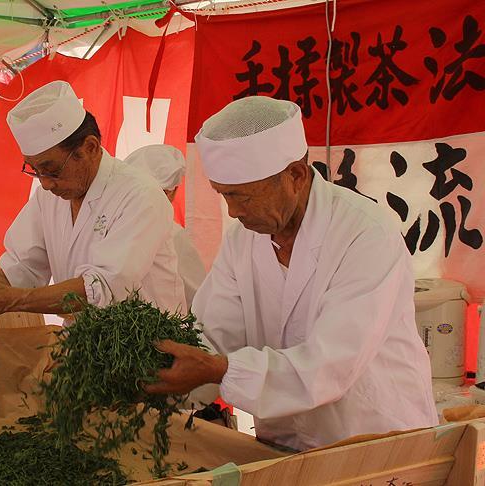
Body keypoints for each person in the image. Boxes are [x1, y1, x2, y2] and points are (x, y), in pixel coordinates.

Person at [144, 96, 438, 450]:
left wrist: (218, 370)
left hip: (376, 441)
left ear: (295, 175)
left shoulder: (365, 235)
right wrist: (158, 375)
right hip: (283, 445)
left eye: (243, 197)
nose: (233, 211)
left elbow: (329, 365)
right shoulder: (243, 241)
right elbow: (211, 334)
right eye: (223, 196)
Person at [0, 81, 185, 327]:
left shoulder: (140, 195)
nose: (44, 184)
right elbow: (23, 267)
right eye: (35, 170)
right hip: (83, 344)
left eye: (51, 169)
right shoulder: (48, 198)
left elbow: (101, 288)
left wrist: (10, 301)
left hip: (146, 350)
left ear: (90, 147)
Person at [125, 144, 206, 305]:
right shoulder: (173, 233)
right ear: (171, 192)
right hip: (159, 325)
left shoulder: (113, 225)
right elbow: (200, 297)